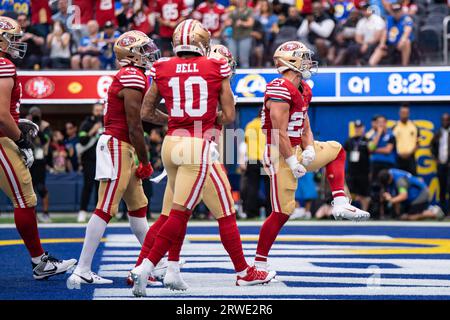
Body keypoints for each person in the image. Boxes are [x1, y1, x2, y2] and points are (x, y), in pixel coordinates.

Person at [130, 21, 275, 297]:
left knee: (173, 213)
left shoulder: (161, 67)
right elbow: (230, 116)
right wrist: (209, 118)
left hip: (172, 144)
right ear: (202, 44)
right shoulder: (214, 66)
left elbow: (146, 112)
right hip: (198, 146)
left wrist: (174, 119)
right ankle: (146, 267)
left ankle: (171, 269)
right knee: (184, 213)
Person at [253, 41, 370, 272]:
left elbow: (304, 126)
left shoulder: (304, 89)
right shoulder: (279, 87)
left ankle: (340, 203)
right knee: (282, 213)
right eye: (304, 57)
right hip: (278, 152)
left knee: (337, 150)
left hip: (295, 147)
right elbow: (278, 133)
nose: (308, 62)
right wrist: (292, 160)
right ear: (292, 61)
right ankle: (258, 264)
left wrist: (307, 149)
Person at [67, 30, 161, 286]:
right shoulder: (132, 75)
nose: (149, 54)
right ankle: (83, 269)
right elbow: (135, 125)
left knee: (138, 211)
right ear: (131, 55)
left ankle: (152, 265)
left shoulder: (134, 75)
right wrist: (145, 160)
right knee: (105, 207)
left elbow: (141, 120)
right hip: (119, 145)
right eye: (143, 49)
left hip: (124, 146)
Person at [0, 16, 76, 280]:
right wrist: (21, 139)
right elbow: (0, 114)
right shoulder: (3, 65)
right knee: (25, 199)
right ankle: (39, 262)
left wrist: (13, 118)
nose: (17, 43)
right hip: (1, 140)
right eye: (12, 38)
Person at [378, 169, 444, 220]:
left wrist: (391, 200)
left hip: (420, 195)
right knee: (403, 215)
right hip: (415, 194)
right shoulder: (390, 172)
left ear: (390, 179)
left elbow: (403, 196)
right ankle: (428, 209)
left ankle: (433, 212)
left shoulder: (400, 181)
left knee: (410, 217)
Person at [77, 104, 103, 223]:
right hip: (89, 160)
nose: (98, 112)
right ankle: (82, 211)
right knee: (88, 186)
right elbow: (82, 141)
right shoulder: (86, 123)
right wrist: (93, 130)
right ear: (93, 111)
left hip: (103, 160)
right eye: (96, 110)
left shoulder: (106, 122)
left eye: (100, 110)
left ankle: (99, 213)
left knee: (100, 188)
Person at [242, 112, 271, 218]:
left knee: (252, 187)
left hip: (253, 161)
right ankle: (270, 212)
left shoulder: (249, 125)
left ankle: (251, 212)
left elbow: (246, 142)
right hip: (265, 161)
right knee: (269, 187)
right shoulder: (268, 124)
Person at [27, 107, 51, 223]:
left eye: (37, 114)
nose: (35, 116)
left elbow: (45, 140)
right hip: (28, 158)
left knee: (41, 187)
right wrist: (29, 126)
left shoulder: (45, 126)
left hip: (40, 160)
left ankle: (46, 213)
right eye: (33, 114)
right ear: (30, 115)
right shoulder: (26, 124)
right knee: (30, 189)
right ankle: (33, 214)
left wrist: (38, 128)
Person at [343, 120, 371, 211]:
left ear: (363, 128)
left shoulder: (367, 140)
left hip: (363, 171)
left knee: (364, 194)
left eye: (360, 127)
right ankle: (349, 212)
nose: (358, 129)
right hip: (351, 171)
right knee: (350, 193)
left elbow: (371, 152)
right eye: (356, 127)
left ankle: (365, 212)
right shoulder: (349, 141)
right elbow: (343, 154)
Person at [226, 0, 255, 68]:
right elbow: (228, 21)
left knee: (244, 59)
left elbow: (251, 23)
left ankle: (245, 77)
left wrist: (242, 23)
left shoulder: (249, 10)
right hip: (233, 37)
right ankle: (230, 76)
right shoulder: (233, 10)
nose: (240, 1)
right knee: (232, 59)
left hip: (245, 36)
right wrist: (228, 22)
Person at [392, 104, 419, 175]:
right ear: (399, 113)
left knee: (413, 180)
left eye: (406, 113)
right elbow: (392, 144)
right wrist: (399, 154)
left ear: (409, 113)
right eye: (402, 113)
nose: (404, 115)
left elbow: (418, 143)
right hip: (398, 158)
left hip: (411, 158)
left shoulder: (414, 127)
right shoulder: (394, 127)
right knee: (398, 180)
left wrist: (409, 154)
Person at [431, 113, 450, 214]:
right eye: (443, 120)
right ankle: (444, 211)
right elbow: (432, 146)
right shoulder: (438, 133)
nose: (445, 122)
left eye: (447, 120)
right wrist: (435, 158)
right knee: (442, 188)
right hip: (441, 164)